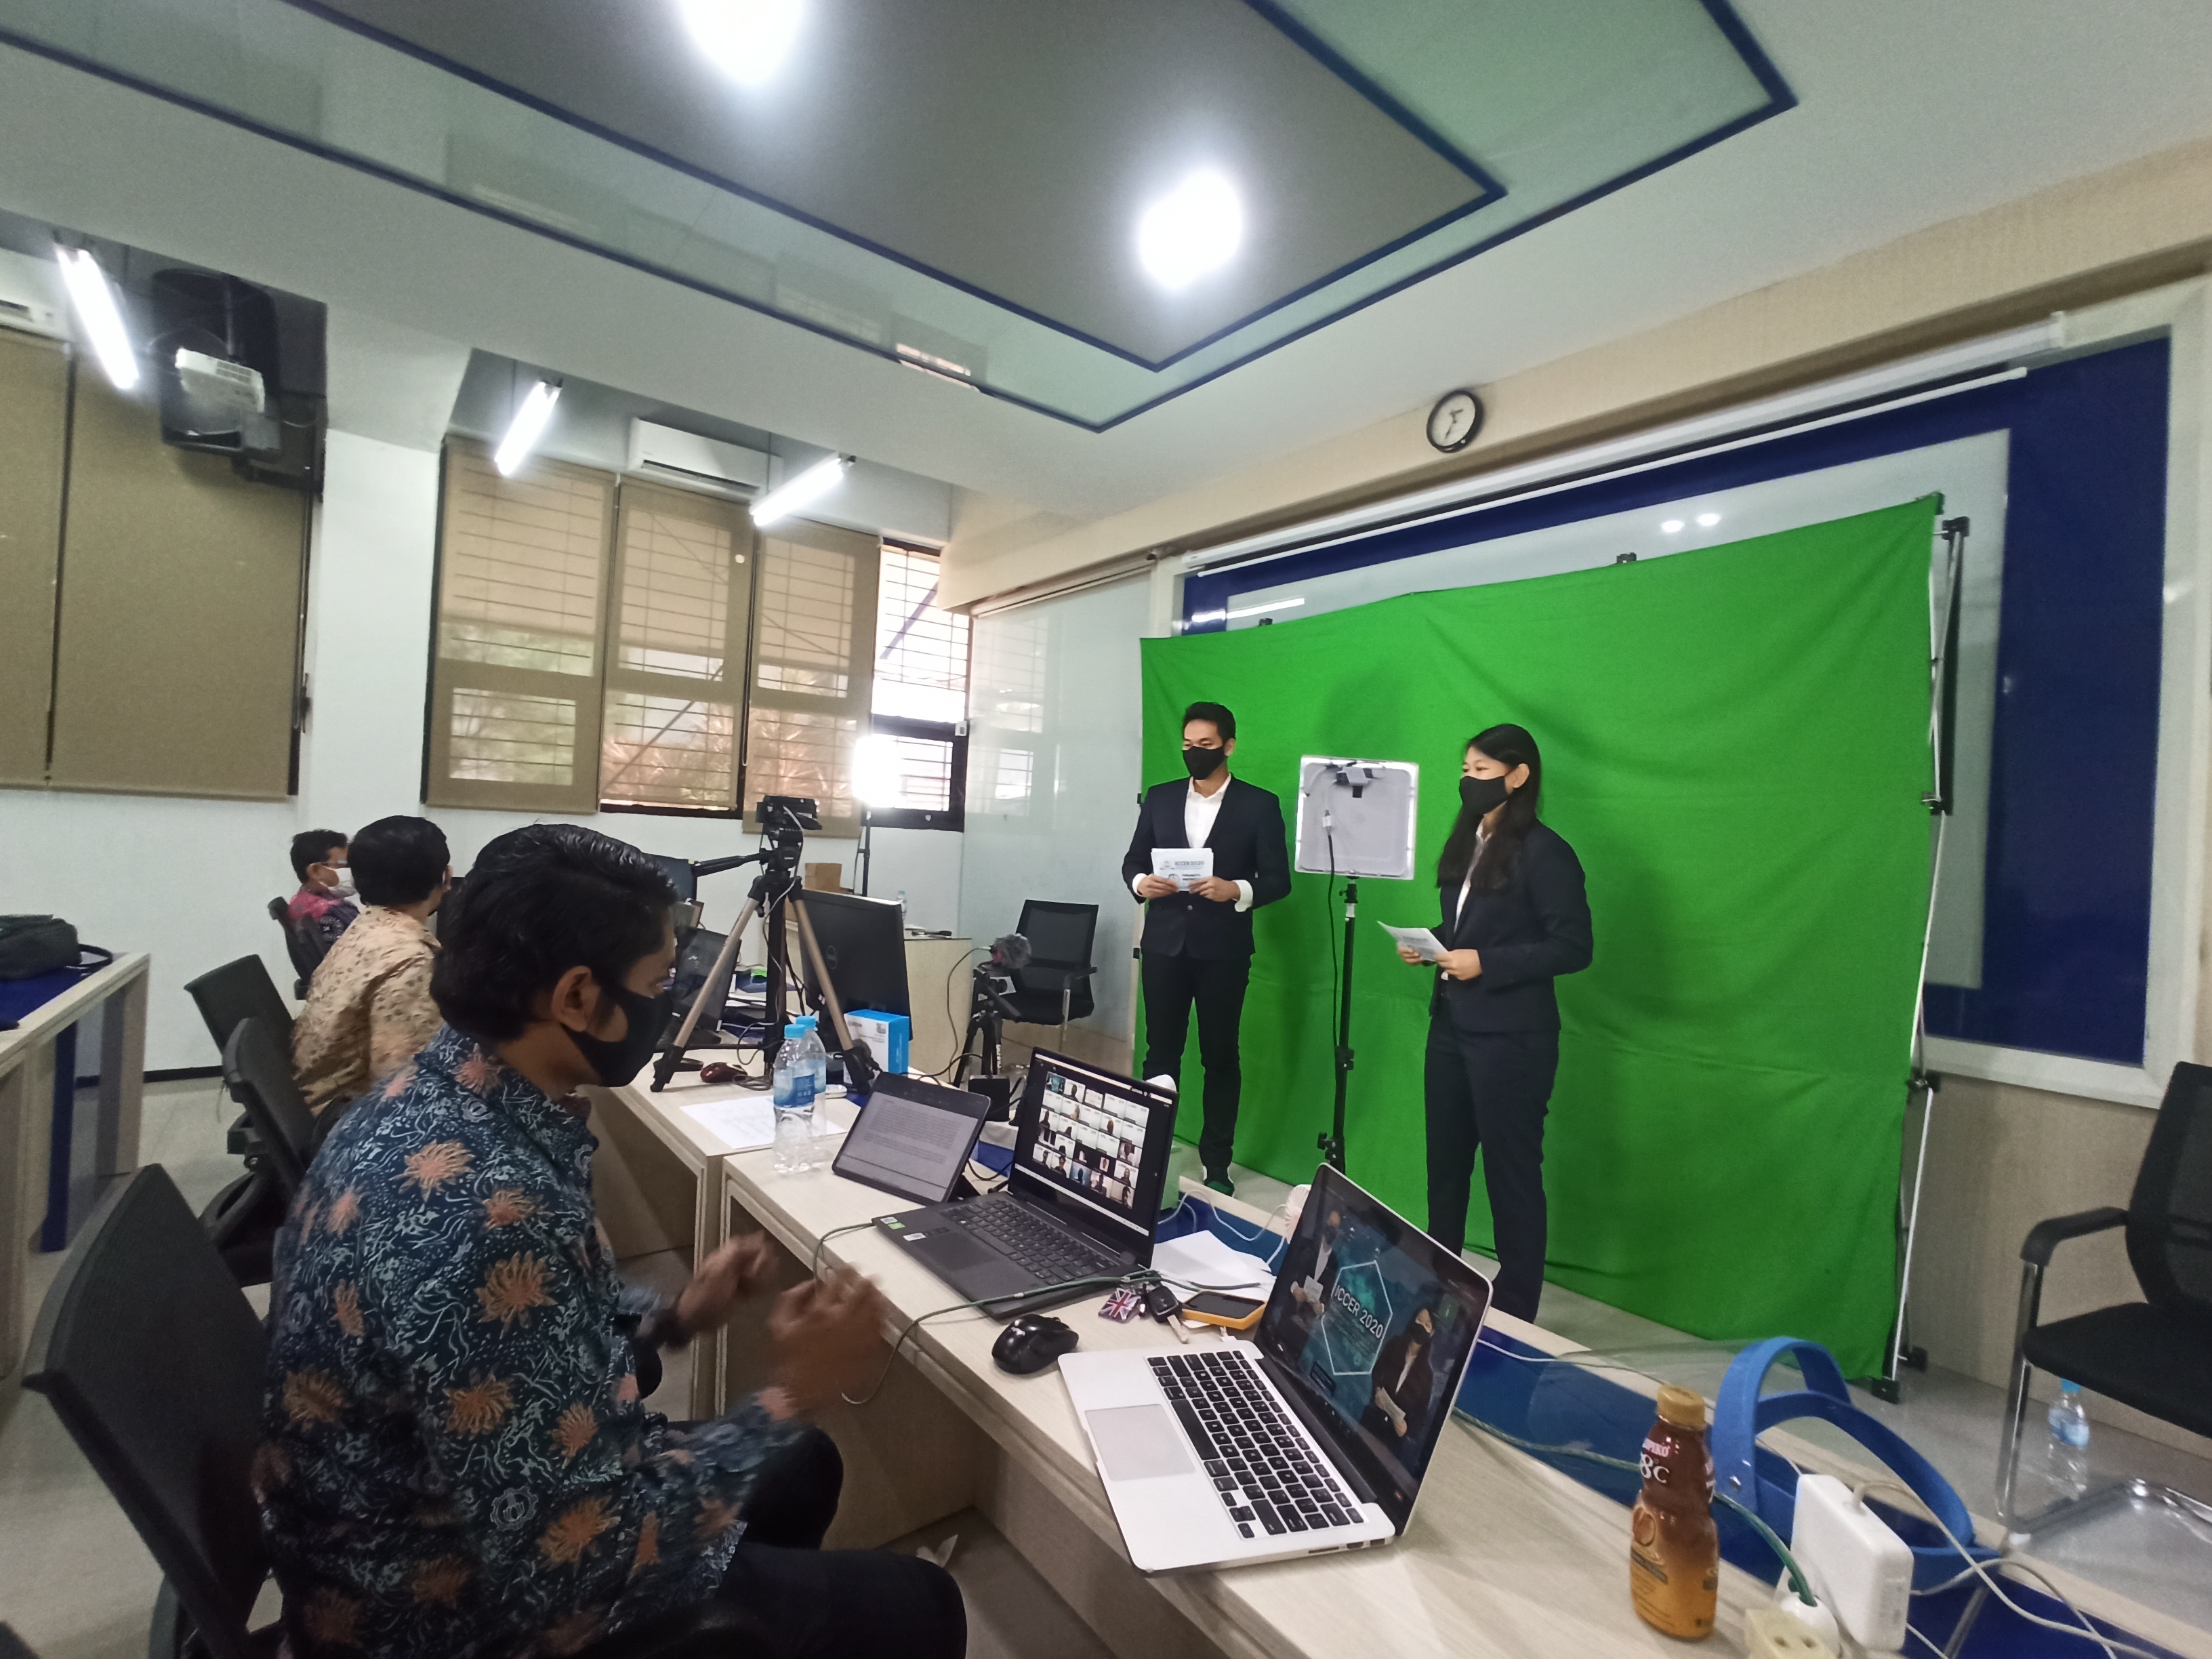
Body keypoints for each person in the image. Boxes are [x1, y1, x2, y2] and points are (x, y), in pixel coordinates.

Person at [258, 823, 965, 1659]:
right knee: (918, 1602)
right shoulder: (492, 1213)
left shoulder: (426, 1096)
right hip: (453, 1617)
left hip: (432, 1519)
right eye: (662, 979)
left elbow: (510, 1344)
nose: (673, 997)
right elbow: (574, 1571)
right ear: (576, 998)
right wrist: (792, 1390)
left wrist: (676, 1317)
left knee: (804, 1463)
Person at [1397, 724, 1591, 1323]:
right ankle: (1438, 1279)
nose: (1469, 781)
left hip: (1513, 1039)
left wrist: (1487, 963)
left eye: (1481, 771)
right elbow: (1471, 925)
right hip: (1451, 1027)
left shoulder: (1547, 852)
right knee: (1445, 1164)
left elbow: (1573, 946)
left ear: (1519, 775)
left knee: (1511, 1174)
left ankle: (1515, 1310)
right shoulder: (1468, 840)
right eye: (1465, 770)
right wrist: (1432, 943)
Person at [1121, 701, 1291, 1195]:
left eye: (1206, 745)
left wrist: (1236, 889)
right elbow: (1133, 859)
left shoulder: (1259, 805)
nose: (1195, 753)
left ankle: (1217, 1164)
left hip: (1223, 950)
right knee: (1160, 1052)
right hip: (1164, 945)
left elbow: (1278, 879)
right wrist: (1141, 883)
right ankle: (1151, 1153)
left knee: (1220, 1056)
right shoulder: (1160, 797)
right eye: (1188, 745)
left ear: (1228, 746)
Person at [291, 815, 453, 1115]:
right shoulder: (411, 962)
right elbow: (401, 1087)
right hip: (347, 1117)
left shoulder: (364, 926)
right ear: (446, 877)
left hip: (321, 1096)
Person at [1361, 1304, 1439, 1447]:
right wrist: (1376, 1391)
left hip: (1392, 1440)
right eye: (1419, 1320)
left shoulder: (1427, 1375)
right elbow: (1377, 1370)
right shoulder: (1395, 1344)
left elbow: (1421, 1413)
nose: (1422, 1326)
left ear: (1432, 1333)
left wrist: (1406, 1429)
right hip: (1372, 1418)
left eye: (1427, 1325)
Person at [287, 828, 359, 954]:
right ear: (316, 871)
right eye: (344, 865)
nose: (353, 871)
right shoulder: (331, 914)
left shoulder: (303, 901)